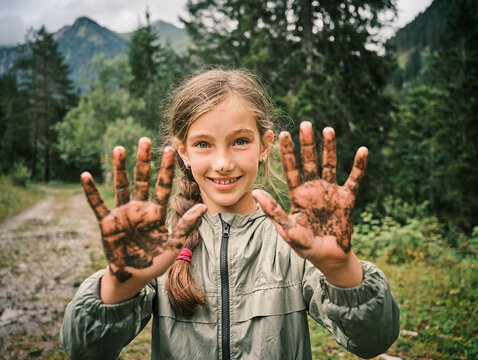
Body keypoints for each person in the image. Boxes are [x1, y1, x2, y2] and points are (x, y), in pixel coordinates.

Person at [60, 69, 399, 359]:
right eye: (203, 144)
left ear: (264, 146)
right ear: (183, 152)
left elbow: (373, 340)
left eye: (239, 141)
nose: (222, 163)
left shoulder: (293, 243)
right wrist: (123, 285)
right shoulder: (159, 247)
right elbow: (83, 348)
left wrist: (340, 267)